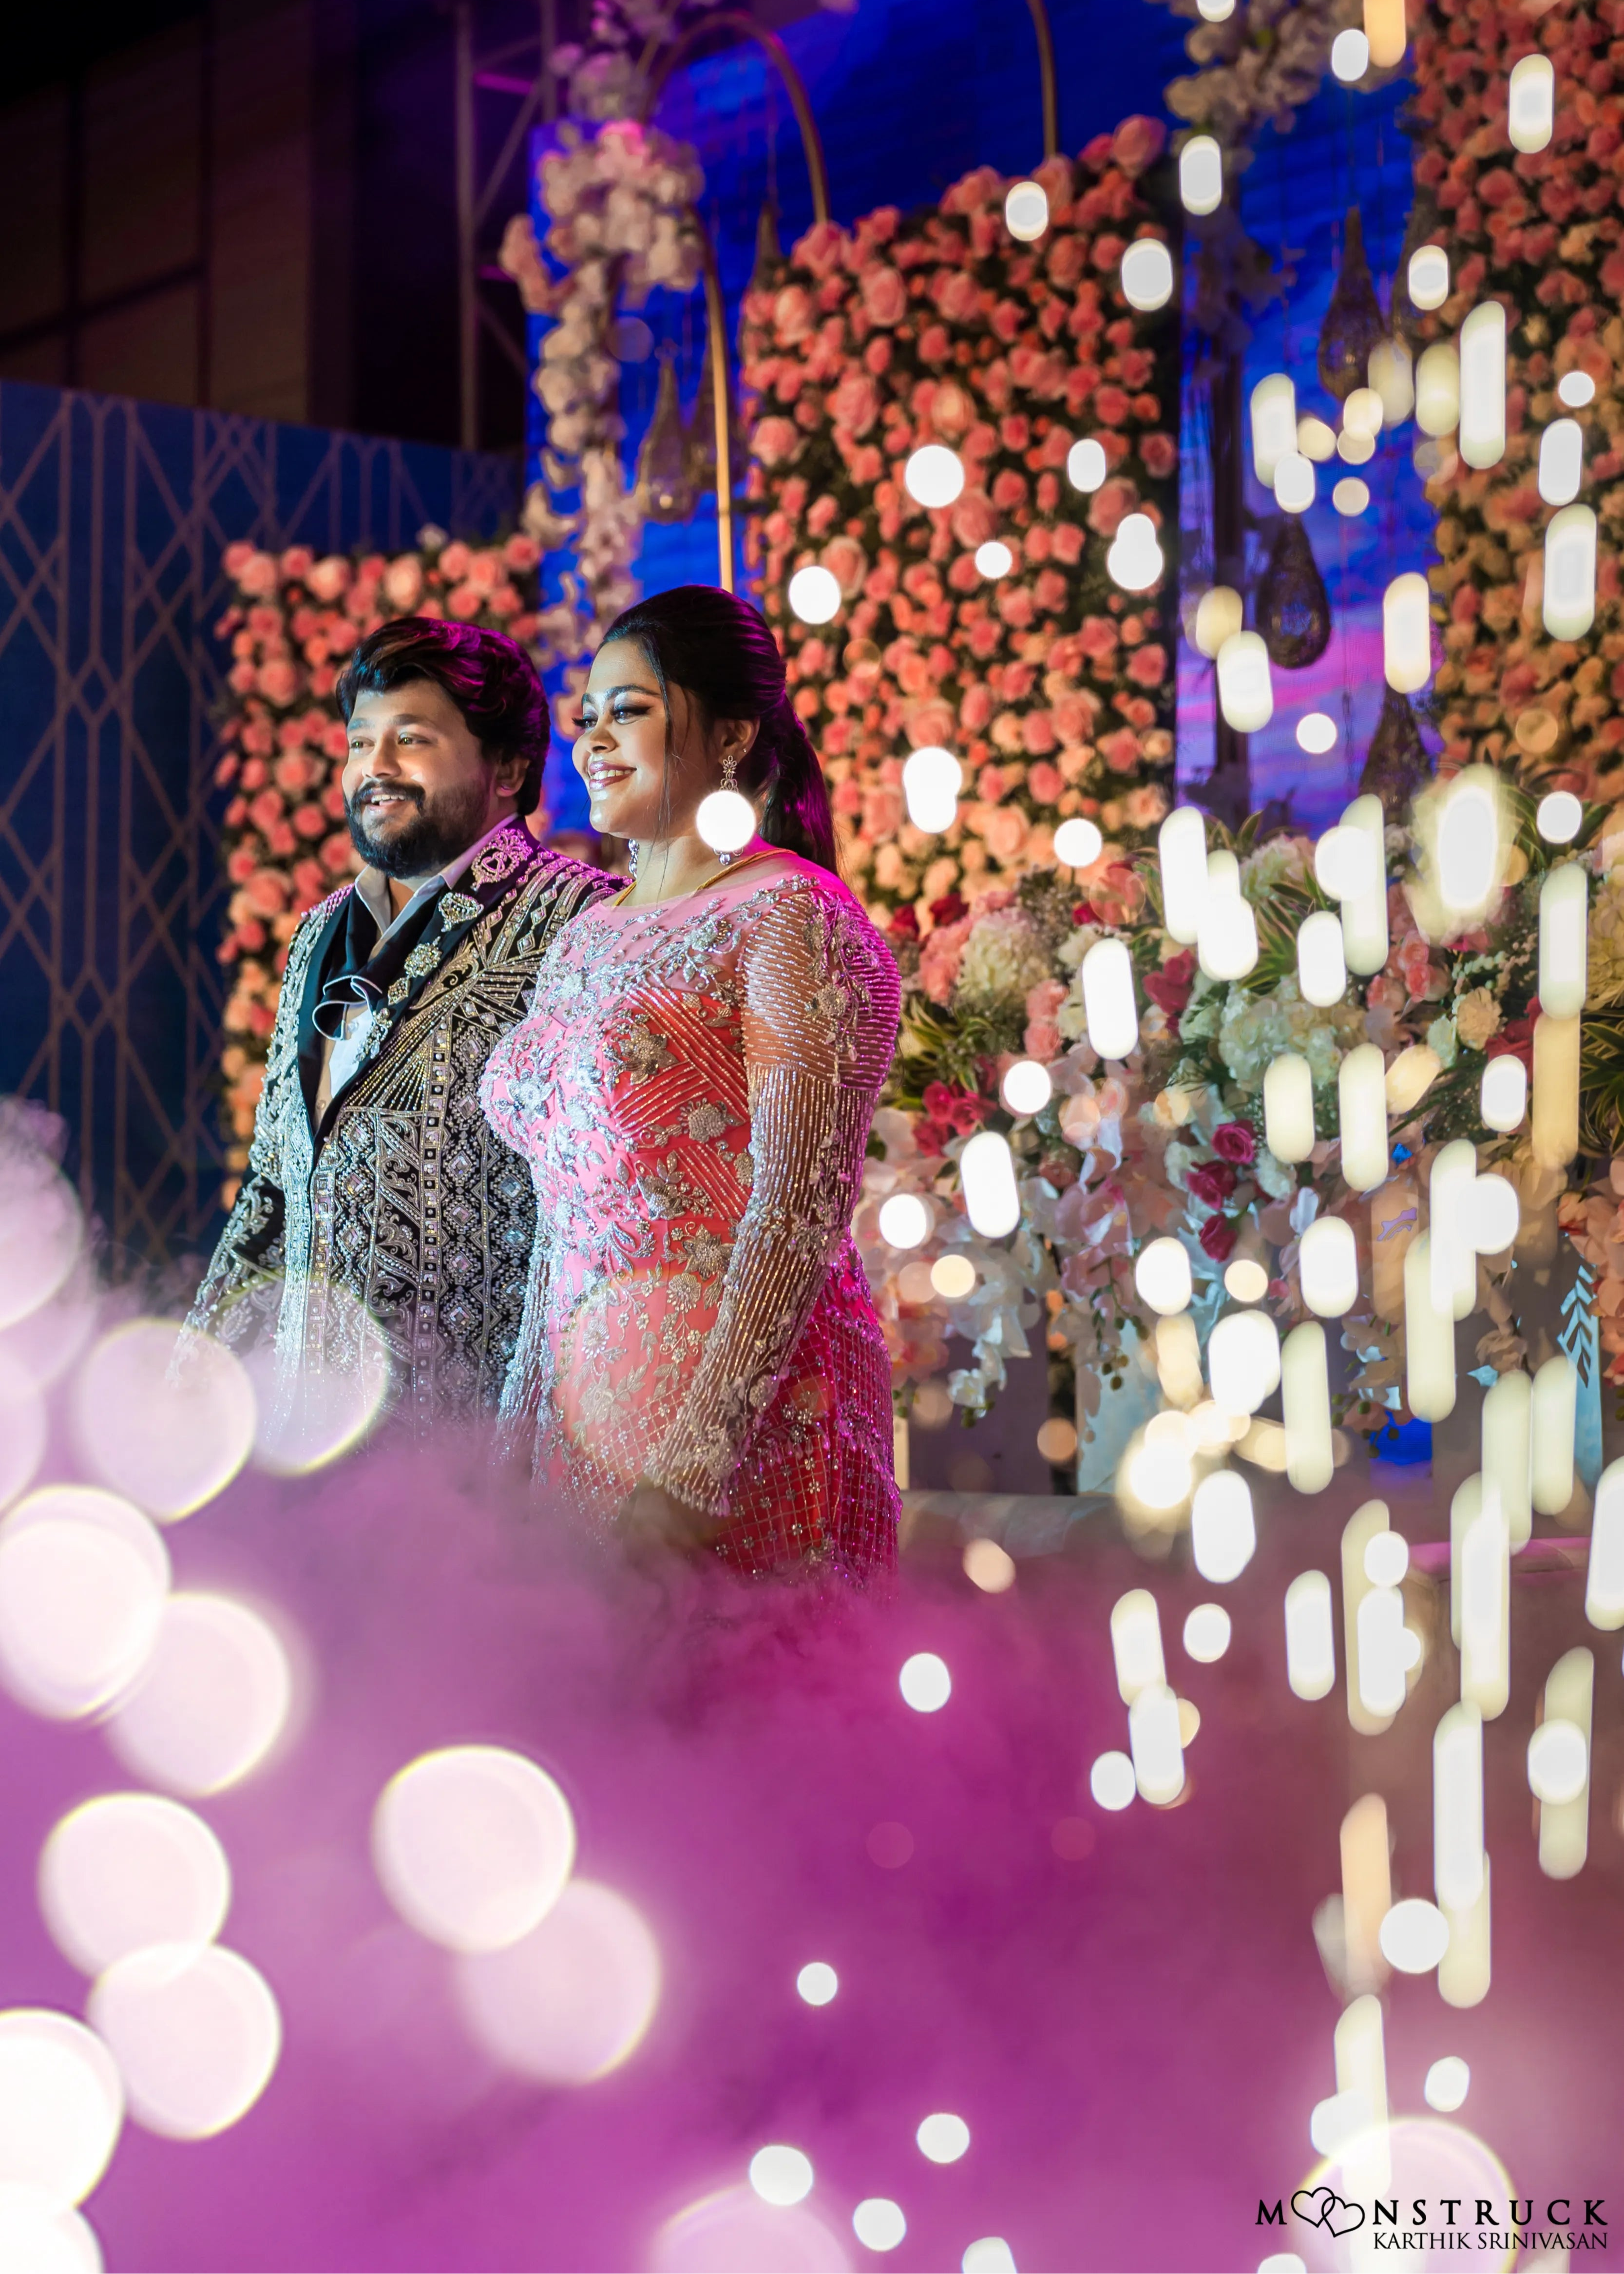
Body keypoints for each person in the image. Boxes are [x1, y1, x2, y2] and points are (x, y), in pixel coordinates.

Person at [480, 585, 901, 1583]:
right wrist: (517, 1441)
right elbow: (558, 1228)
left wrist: (697, 1458)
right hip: (585, 1416)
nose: (592, 741)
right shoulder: (587, 933)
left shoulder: (787, 915)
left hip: (744, 1428)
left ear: (730, 735)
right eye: (585, 718)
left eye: (628, 709)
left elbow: (798, 1208)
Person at [189, 616, 615, 1426]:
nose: (372, 770)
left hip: (477, 1453)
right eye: (359, 743)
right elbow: (276, 1192)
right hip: (311, 1445)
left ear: (511, 767)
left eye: (410, 739)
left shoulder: (578, 923)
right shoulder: (319, 931)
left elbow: (605, 1218)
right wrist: (190, 1386)